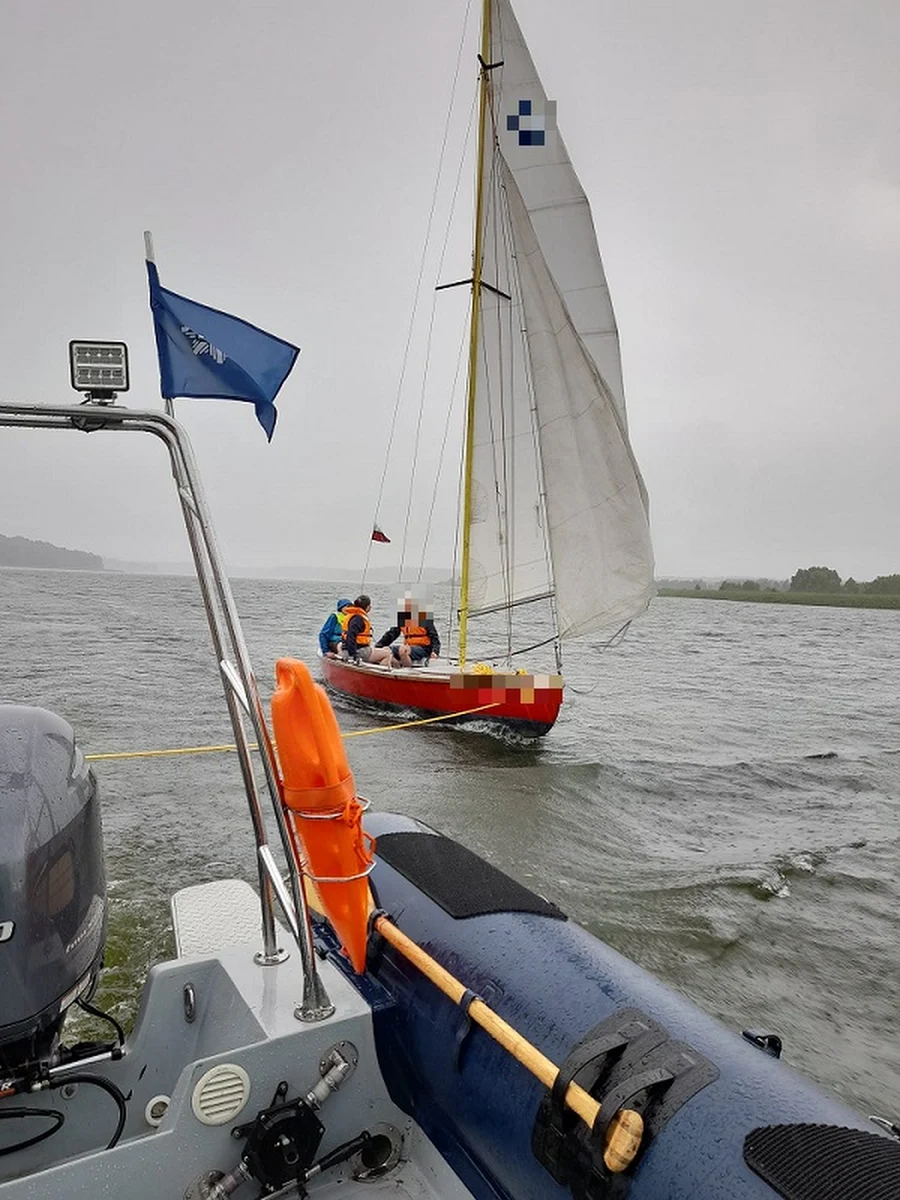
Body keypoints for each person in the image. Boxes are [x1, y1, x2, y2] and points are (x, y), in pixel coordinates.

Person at [376, 595, 441, 668]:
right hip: (408, 647)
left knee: (402, 650)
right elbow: (391, 635)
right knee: (385, 650)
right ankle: (395, 669)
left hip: (423, 649)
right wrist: (378, 647)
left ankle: (408, 671)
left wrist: (435, 652)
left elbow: (434, 638)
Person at [342, 595, 393, 665]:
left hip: (347, 649)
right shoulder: (358, 619)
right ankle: (380, 672)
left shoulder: (351, 615)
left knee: (386, 649)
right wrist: (353, 655)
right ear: (368, 607)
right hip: (358, 651)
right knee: (388, 653)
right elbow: (351, 636)